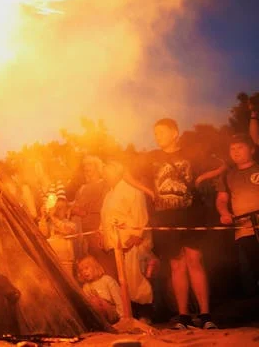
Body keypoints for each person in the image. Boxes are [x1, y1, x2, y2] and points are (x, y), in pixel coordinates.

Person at [127, 118, 225, 329]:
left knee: (194, 260)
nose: (157, 137)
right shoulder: (152, 157)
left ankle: (206, 314)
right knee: (176, 265)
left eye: (161, 133)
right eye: (155, 134)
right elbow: (127, 174)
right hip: (165, 217)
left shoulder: (190, 153)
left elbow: (221, 164)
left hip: (190, 214)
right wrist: (150, 192)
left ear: (174, 133)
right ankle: (184, 316)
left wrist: (200, 179)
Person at [100, 161, 154, 318]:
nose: (104, 175)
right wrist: (101, 233)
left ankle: (145, 315)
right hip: (115, 244)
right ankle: (129, 316)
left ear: (117, 171)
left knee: (136, 279)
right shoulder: (110, 193)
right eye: (103, 172)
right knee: (123, 282)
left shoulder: (132, 190)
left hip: (130, 241)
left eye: (107, 171)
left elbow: (140, 212)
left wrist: (136, 235)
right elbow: (106, 215)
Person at [216, 134, 259, 298]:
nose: (236, 152)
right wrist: (225, 213)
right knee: (253, 272)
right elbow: (221, 200)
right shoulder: (227, 176)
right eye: (232, 149)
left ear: (252, 149)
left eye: (240, 147)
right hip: (244, 231)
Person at [71, 155, 109, 262]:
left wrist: (85, 211)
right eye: (84, 166)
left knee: (103, 262)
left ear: (97, 167)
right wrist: (73, 209)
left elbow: (105, 205)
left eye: (89, 164)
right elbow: (75, 205)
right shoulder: (82, 188)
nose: (86, 168)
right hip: (82, 233)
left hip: (98, 230)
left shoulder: (104, 184)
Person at [39, 182, 77, 275]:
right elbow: (42, 234)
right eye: (57, 208)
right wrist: (43, 217)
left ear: (67, 210)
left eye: (61, 208)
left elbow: (66, 230)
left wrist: (52, 217)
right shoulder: (49, 224)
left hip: (66, 262)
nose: (58, 210)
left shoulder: (72, 225)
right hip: (52, 261)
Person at [77, 255, 124, 324]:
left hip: (112, 312)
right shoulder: (86, 287)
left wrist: (122, 317)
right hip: (97, 315)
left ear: (94, 267)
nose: (84, 272)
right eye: (81, 270)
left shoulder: (107, 280)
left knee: (95, 301)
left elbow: (118, 300)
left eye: (86, 268)